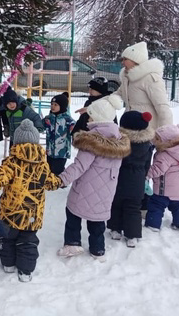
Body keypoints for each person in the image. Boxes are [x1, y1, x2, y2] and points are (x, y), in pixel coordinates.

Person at [57, 95, 130, 261]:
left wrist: (62, 179)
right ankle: (98, 249)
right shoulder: (117, 139)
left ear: (97, 118)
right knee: (97, 219)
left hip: (85, 187)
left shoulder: (92, 141)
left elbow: (79, 166)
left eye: (90, 115)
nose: (88, 118)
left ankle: (72, 243)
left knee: (73, 212)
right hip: (106, 189)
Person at [0, 119, 61, 282]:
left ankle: (8, 264)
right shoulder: (43, 166)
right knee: (28, 242)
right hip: (32, 214)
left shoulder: (11, 163)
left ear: (17, 142)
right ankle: (26, 271)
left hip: (10, 213)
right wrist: (60, 181)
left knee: (7, 238)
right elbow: (52, 183)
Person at [107, 111, 154, 247]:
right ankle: (132, 235)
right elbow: (147, 164)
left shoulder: (120, 142)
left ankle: (115, 229)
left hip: (119, 179)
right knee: (133, 208)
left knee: (116, 205)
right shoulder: (147, 145)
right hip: (137, 181)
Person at [114, 41, 173, 130]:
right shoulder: (127, 78)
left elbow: (162, 106)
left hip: (147, 129)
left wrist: (166, 132)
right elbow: (116, 95)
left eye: (125, 59)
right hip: (129, 127)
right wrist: (94, 107)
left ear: (135, 60)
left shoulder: (150, 78)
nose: (122, 62)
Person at [145, 123, 179, 232]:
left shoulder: (165, 155)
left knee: (156, 205)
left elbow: (157, 169)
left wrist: (146, 175)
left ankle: (153, 224)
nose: (154, 140)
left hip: (164, 189)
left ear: (165, 142)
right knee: (178, 206)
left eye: (157, 138)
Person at [43, 92, 76, 175]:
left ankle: (60, 182)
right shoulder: (48, 118)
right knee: (49, 168)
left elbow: (75, 130)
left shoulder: (67, 120)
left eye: (55, 105)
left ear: (62, 106)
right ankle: (51, 182)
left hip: (62, 151)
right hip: (50, 150)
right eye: (52, 104)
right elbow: (40, 126)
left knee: (58, 169)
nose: (53, 106)